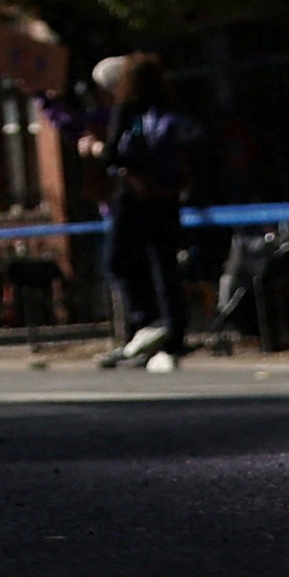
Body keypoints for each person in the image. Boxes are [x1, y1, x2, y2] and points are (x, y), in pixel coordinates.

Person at [77, 53, 196, 371]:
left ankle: (144, 323)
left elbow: (114, 154)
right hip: (166, 196)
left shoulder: (126, 108)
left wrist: (93, 149)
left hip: (133, 195)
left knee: (119, 260)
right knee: (164, 262)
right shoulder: (169, 108)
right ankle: (173, 331)